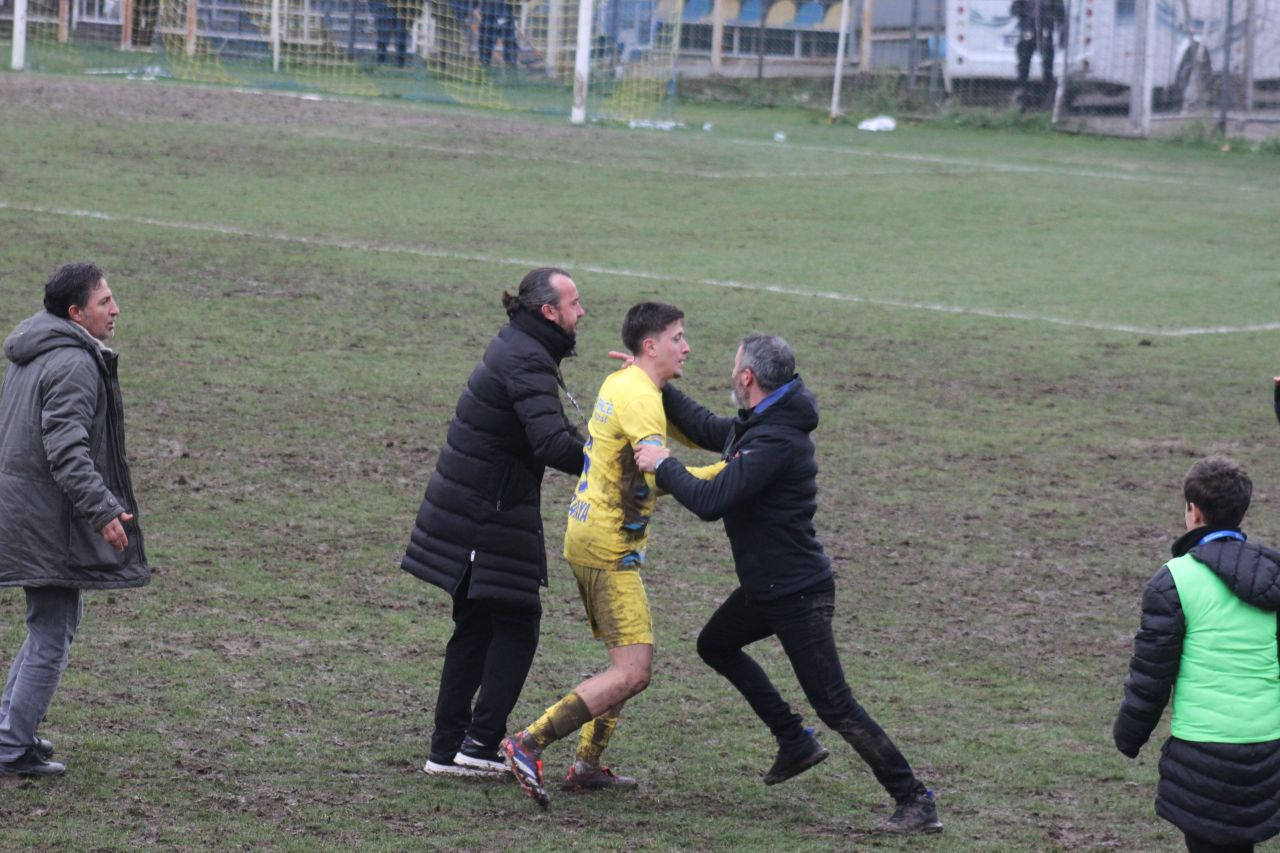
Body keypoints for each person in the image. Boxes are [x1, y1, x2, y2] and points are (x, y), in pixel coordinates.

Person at [633, 333, 943, 835]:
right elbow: (713, 428)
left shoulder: (776, 439)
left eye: (734, 368)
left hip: (797, 593)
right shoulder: (766, 420)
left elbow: (712, 502)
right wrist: (652, 380)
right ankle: (794, 739)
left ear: (748, 378)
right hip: (769, 585)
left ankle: (915, 799)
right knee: (715, 644)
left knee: (836, 704)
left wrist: (663, 464)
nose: (731, 374)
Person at [500, 302, 723, 808]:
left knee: (625, 662)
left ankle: (585, 766)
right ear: (650, 347)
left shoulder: (623, 382)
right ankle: (527, 743)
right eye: (678, 338)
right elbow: (654, 475)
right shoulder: (641, 398)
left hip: (589, 533)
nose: (686, 347)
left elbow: (692, 430)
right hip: (608, 545)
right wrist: (727, 475)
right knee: (633, 671)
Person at [402, 268, 587, 778]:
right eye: (574, 303)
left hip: (475, 504)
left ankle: (448, 751)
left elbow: (547, 430)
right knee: (516, 622)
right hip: (487, 512)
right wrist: (608, 462)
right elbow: (552, 444)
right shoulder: (527, 356)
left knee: (477, 624)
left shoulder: (523, 346)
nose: (582, 312)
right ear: (548, 311)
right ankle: (478, 744)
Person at [0, 262, 149, 778]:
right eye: (104, 301)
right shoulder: (73, 363)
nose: (115, 309)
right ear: (75, 312)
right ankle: (12, 748)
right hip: (46, 523)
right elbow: (66, 451)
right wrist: (105, 508)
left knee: (48, 625)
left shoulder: (33, 351)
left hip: (26, 514)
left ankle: (9, 735)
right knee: (53, 631)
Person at [1113, 456, 1280, 853]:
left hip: (1203, 750)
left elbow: (1152, 674)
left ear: (1194, 511)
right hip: (1269, 744)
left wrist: (1129, 735)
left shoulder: (1174, 580)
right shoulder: (1274, 574)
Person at [1010, 0, 1065, 107]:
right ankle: (1021, 91)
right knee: (1024, 60)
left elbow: (1060, 13)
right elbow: (1014, 9)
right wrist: (1025, 16)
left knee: (1047, 60)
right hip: (1028, 28)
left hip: (1046, 28)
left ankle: (1048, 94)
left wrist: (1059, 24)